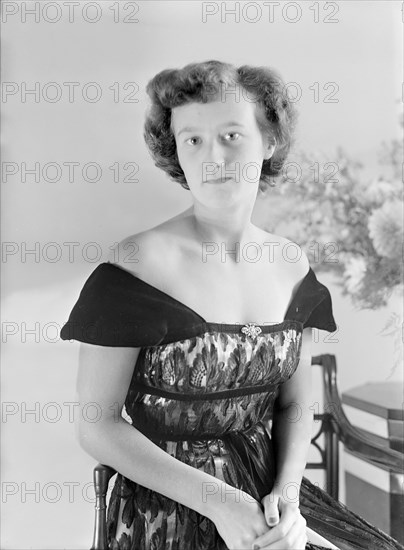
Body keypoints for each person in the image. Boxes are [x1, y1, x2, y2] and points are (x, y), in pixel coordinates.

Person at [60, 60, 404, 550]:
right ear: (175, 152)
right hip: (167, 506)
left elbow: (294, 404)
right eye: (192, 140)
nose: (212, 157)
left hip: (268, 494)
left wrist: (286, 497)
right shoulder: (135, 265)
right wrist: (221, 503)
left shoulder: (290, 264)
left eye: (231, 135)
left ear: (270, 142)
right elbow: (98, 426)